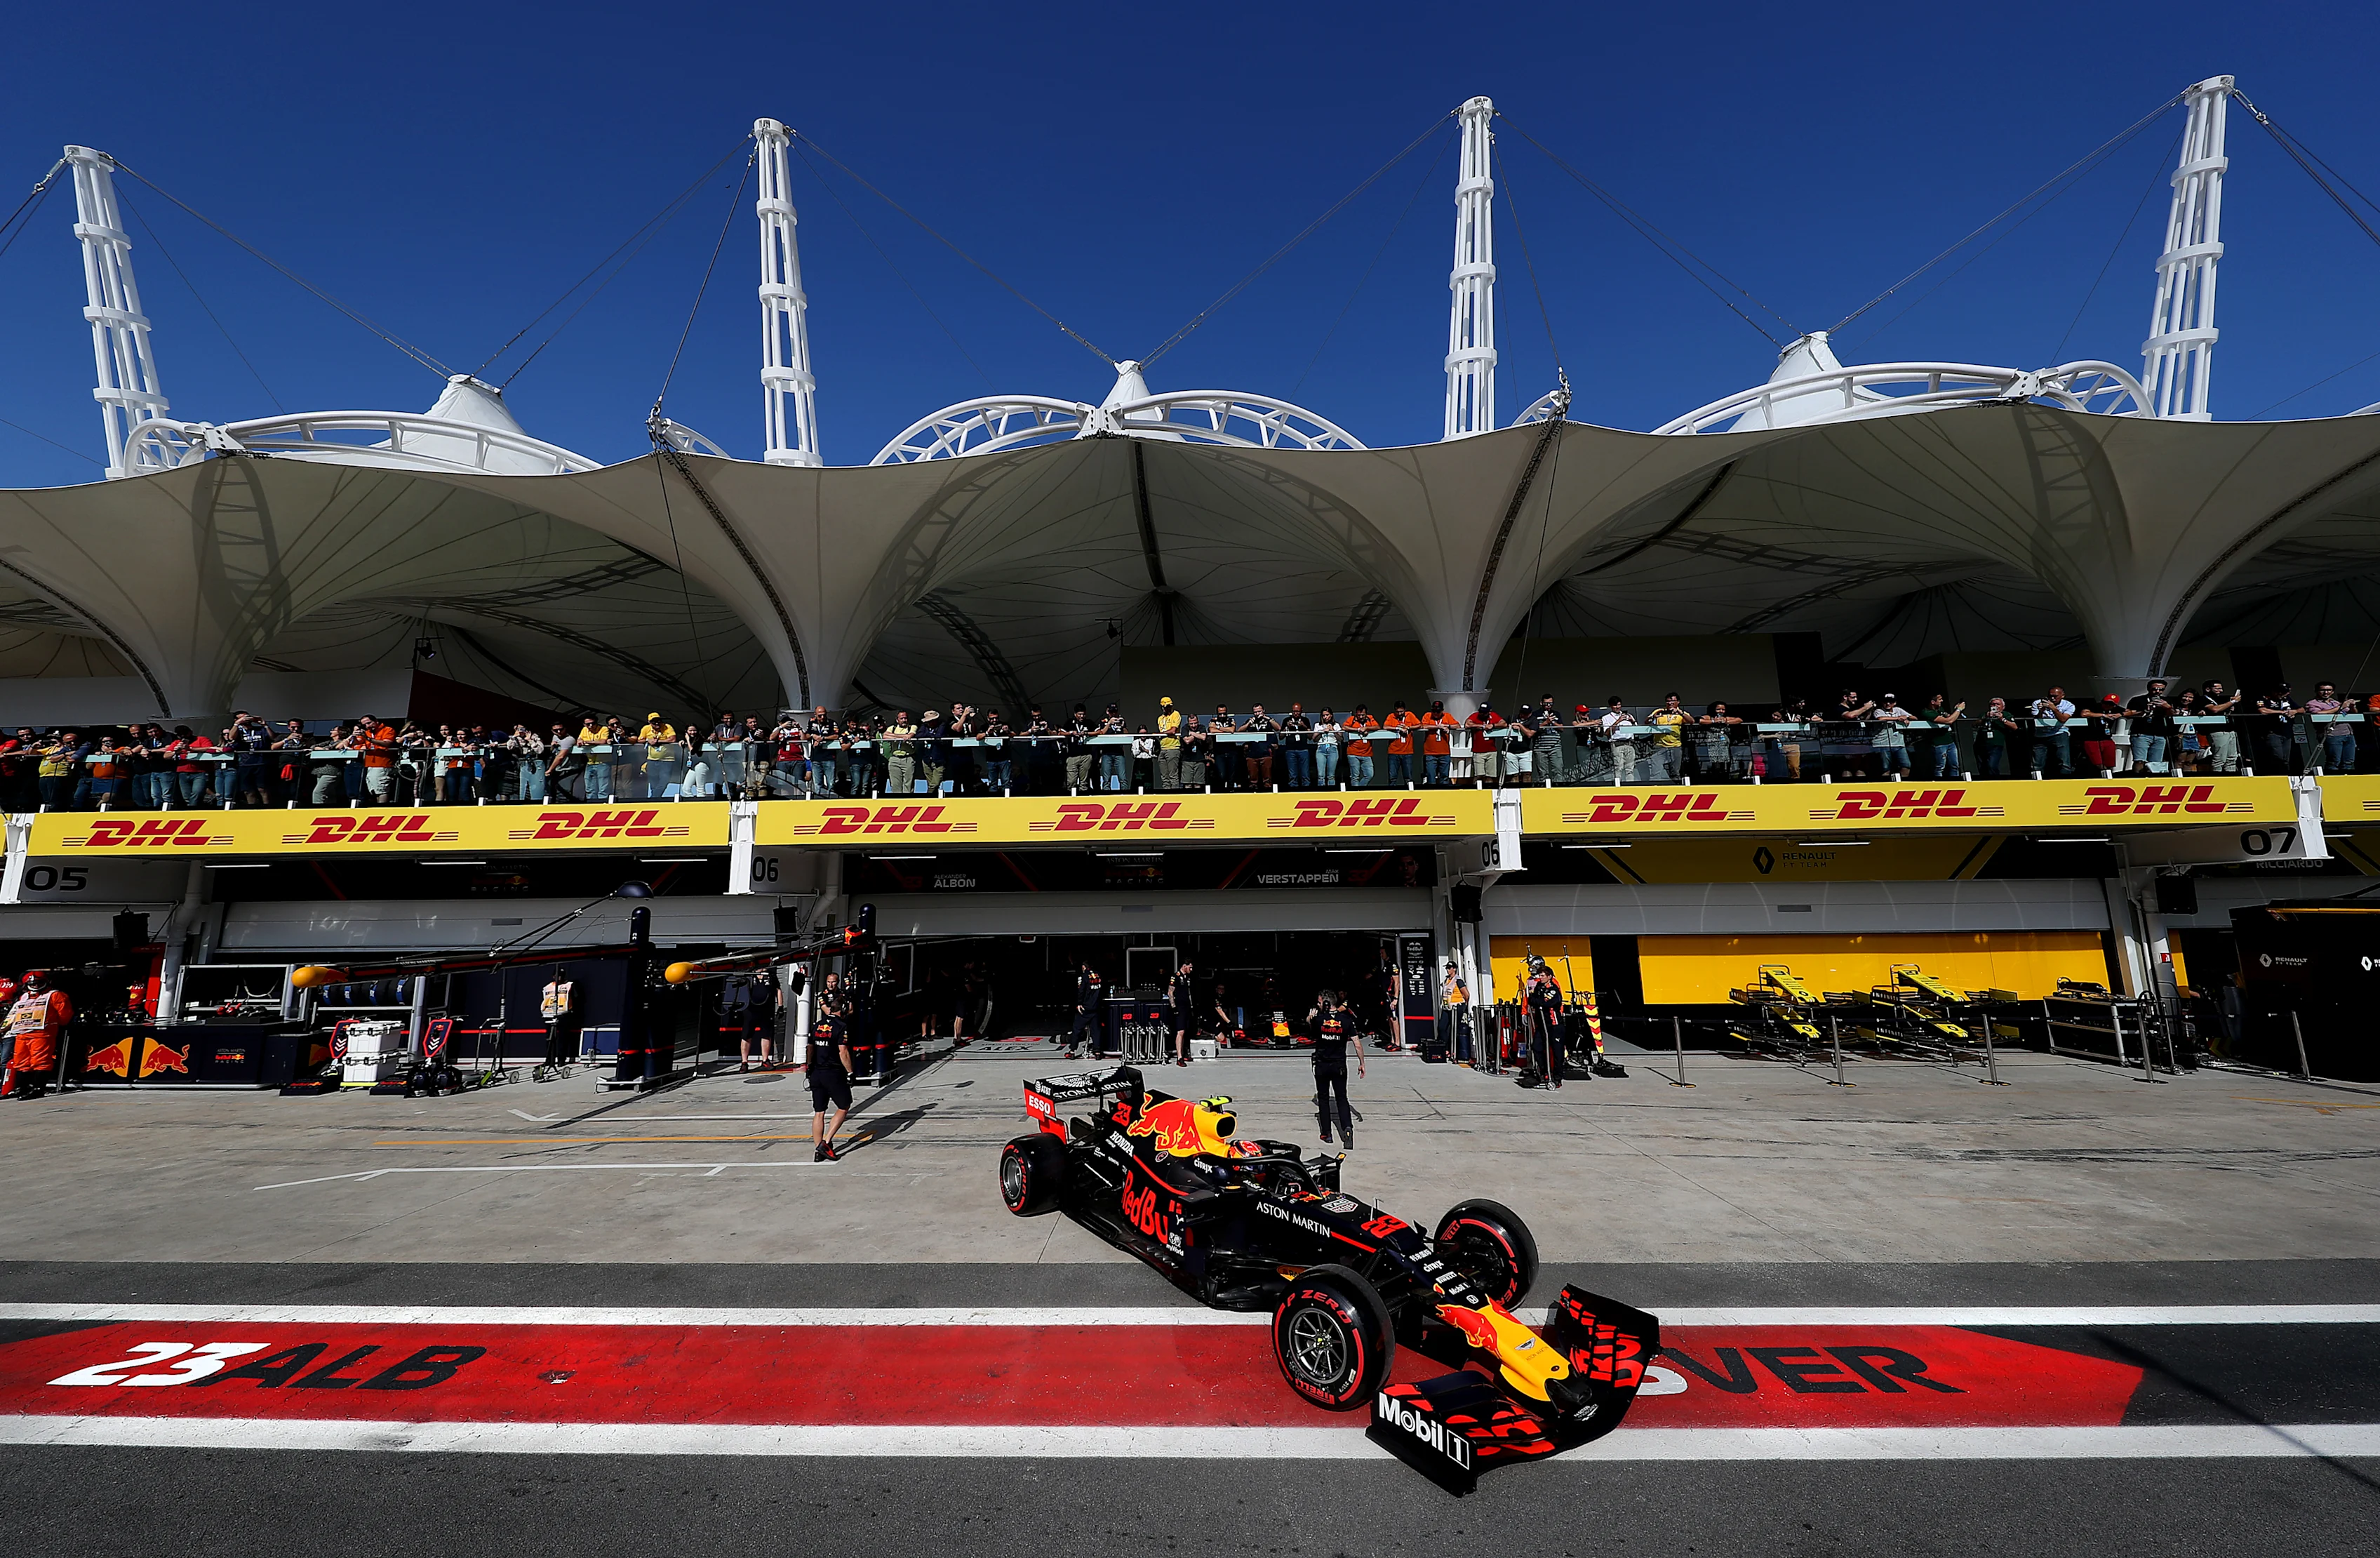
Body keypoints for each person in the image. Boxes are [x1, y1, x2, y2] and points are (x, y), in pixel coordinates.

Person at [1, 970, 72, 1099]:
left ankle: (39, 1088)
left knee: (40, 1061)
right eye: (32, 983)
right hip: (22, 1033)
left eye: (38, 983)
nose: (35, 986)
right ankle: (21, 1088)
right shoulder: (24, 997)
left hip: (42, 1033)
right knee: (20, 1061)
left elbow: (64, 1016)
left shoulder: (55, 995)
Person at [1308, 988, 1365, 1149]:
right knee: (1342, 1098)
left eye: (1319, 1003)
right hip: (1339, 1065)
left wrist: (1310, 1018)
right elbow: (1357, 1044)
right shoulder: (1346, 1020)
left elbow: (1310, 1028)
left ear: (1326, 1003)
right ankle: (1347, 1130)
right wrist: (1362, 1063)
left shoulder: (1319, 1019)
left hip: (1322, 1065)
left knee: (1324, 1099)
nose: (1318, 1005)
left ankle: (1327, 1133)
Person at [805, 999, 854, 1161]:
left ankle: (818, 1151)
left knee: (819, 1112)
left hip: (816, 1072)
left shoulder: (817, 1025)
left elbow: (810, 1047)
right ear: (844, 1010)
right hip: (833, 1073)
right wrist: (850, 1072)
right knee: (844, 1105)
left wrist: (809, 1066)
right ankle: (825, 1143)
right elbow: (843, 1051)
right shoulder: (841, 1026)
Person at [1520, 954, 1566, 1088]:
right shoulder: (1532, 982)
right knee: (1537, 1047)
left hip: (1553, 1022)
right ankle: (1543, 1072)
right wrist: (1525, 1012)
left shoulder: (1553, 983)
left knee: (1556, 1051)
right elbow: (1528, 999)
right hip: (1538, 1019)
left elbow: (1554, 1001)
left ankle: (1557, 1077)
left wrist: (1542, 1004)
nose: (1533, 970)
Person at [2127, 679, 2177, 775]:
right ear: (2149, 688)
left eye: (2161, 689)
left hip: (2160, 735)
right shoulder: (2138, 700)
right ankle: (2138, 779)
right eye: (2155, 689)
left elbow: (2173, 715)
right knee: (2140, 760)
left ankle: (2154, 781)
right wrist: (2145, 710)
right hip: (2141, 733)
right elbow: (2128, 714)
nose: (2158, 691)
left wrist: (2167, 707)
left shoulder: (2167, 701)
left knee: (2156, 763)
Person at [2307, 682, 2353, 773]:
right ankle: (2333, 780)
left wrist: (2352, 706)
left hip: (2348, 733)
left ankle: (2348, 780)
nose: (2326, 692)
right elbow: (2318, 714)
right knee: (2334, 761)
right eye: (2323, 690)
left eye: (2329, 690)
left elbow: (2352, 713)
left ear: (2333, 692)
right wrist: (2340, 707)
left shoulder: (2335, 702)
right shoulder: (2312, 703)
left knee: (2349, 762)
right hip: (2332, 734)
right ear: (2316, 691)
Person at [2252, 686, 2299, 774]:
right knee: (2278, 757)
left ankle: (2286, 775)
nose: (2283, 695)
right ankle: (2277, 775)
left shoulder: (2287, 699)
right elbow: (2263, 710)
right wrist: (2282, 712)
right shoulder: (2264, 698)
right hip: (2272, 732)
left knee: (2286, 758)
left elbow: (2302, 709)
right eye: (2281, 693)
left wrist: (2295, 711)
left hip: (2286, 732)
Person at [2028, 688, 2075, 776]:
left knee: (2063, 760)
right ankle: (2037, 780)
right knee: (2037, 762)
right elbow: (2036, 721)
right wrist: (2041, 711)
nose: (2052, 699)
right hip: (2041, 735)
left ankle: (2065, 780)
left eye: (2055, 696)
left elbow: (2063, 719)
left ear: (2062, 696)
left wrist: (2054, 709)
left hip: (2059, 732)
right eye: (2050, 696)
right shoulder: (2037, 703)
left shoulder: (2069, 705)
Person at [1065, 959, 1105, 1061]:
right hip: (1096, 1007)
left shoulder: (1083, 977)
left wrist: (1079, 1004)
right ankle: (1097, 1052)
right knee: (1096, 1030)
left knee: (1077, 1030)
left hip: (1085, 1009)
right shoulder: (1099, 976)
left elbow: (1081, 991)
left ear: (1084, 967)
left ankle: (1072, 1051)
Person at [2199, 681, 2241, 774]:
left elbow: (2224, 708)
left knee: (2232, 758)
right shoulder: (2203, 699)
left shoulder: (2221, 699)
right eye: (2217, 689)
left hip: (2230, 730)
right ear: (2208, 689)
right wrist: (2232, 702)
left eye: (2221, 688)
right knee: (2219, 758)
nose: (2221, 691)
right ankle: (2217, 777)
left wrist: (2230, 706)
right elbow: (2215, 709)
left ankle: (2232, 777)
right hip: (2217, 731)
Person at [1598, 697, 1638, 785]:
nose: (1617, 707)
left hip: (1630, 743)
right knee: (1618, 768)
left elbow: (1637, 731)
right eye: (1615, 705)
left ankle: (1631, 786)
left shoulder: (1628, 715)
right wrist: (1618, 721)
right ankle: (1618, 786)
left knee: (1630, 769)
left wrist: (1633, 721)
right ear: (1611, 706)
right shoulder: (1606, 718)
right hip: (1617, 744)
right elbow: (1607, 733)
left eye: (1619, 705)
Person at [2078, 695, 2122, 774]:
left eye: (2110, 704)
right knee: (2098, 764)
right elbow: (2084, 714)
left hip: (2107, 739)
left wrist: (2120, 715)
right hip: (2092, 739)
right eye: (2106, 703)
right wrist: (2103, 715)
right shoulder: (2095, 707)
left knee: (2110, 763)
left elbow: (2131, 712)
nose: (2107, 705)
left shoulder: (2116, 709)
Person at [1440, 959, 1473, 1065]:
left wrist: (1463, 1006)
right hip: (1446, 1007)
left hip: (1456, 1007)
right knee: (1442, 1027)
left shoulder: (1458, 980)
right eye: (1447, 968)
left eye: (1449, 968)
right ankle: (1445, 1047)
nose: (1448, 970)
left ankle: (1451, 1050)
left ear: (1454, 969)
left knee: (1453, 1029)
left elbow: (1466, 994)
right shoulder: (1446, 980)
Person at [1241, 703, 1279, 790]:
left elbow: (1278, 728)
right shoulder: (1250, 721)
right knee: (1253, 780)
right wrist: (1248, 725)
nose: (1257, 714)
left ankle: (1268, 795)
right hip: (1252, 754)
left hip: (1265, 753)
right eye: (1255, 712)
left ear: (1263, 711)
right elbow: (1239, 731)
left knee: (1267, 779)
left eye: (1259, 711)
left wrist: (1267, 718)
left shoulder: (1268, 720)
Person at [1168, 958, 1198, 1068]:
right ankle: (1179, 1058)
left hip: (1187, 1008)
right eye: (1190, 967)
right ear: (1185, 966)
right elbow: (1170, 992)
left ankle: (1184, 1053)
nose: (1191, 969)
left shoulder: (1188, 977)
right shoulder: (1175, 976)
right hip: (1179, 1008)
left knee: (1186, 1031)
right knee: (1180, 1032)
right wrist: (1174, 1007)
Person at [1382, 701, 1419, 786]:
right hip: (1393, 752)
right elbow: (1385, 726)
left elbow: (1419, 725)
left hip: (1407, 752)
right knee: (1392, 777)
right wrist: (1398, 728)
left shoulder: (1410, 715)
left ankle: (1409, 795)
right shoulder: (1391, 716)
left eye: (1401, 711)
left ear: (1405, 710)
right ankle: (1392, 794)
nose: (1400, 713)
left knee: (1408, 778)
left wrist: (1408, 728)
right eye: (1398, 712)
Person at [1279, 703, 1314, 790]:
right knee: (1292, 774)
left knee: (1305, 774)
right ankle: (1293, 791)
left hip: (1303, 750)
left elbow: (1310, 737)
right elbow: (1280, 737)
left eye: (1298, 711)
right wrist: (1286, 727)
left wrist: (1304, 726)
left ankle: (1306, 790)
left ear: (1301, 711)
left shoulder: (1306, 720)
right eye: (1294, 711)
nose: (1296, 713)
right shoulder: (1286, 720)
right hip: (1290, 750)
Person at [1419, 701, 1455, 787]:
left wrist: (1447, 726)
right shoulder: (1427, 716)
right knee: (1431, 777)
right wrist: (1438, 727)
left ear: (1442, 711)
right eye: (1434, 711)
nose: (1435, 714)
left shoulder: (1447, 716)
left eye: (1438, 712)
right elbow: (1423, 726)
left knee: (1444, 777)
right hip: (1430, 753)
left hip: (1444, 753)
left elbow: (1457, 725)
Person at [1342, 704, 1377, 788]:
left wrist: (1367, 728)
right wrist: (1358, 730)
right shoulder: (1352, 719)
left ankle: (1359, 790)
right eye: (1359, 715)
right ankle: (1356, 793)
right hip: (1353, 753)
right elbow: (1344, 727)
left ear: (1366, 714)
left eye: (1363, 715)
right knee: (1355, 777)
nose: (1361, 717)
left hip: (1367, 753)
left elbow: (1377, 727)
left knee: (1369, 774)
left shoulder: (1370, 718)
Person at [1063, 705, 1096, 794]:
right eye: (1080, 714)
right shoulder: (1070, 722)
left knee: (1084, 782)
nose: (1082, 716)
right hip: (1072, 756)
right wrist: (1071, 733)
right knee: (1071, 782)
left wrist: (1087, 733)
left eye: (1083, 714)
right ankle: (1070, 799)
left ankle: (1084, 799)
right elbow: (1061, 732)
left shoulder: (1089, 722)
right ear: (1075, 714)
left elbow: (1098, 731)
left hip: (1086, 756)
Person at [1156, 697, 1184, 791]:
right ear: (1162, 707)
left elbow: (1173, 731)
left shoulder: (1176, 714)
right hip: (1163, 748)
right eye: (1166, 707)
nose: (1168, 709)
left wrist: (1158, 734)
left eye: (1169, 706)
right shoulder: (1160, 718)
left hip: (1173, 747)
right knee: (1164, 777)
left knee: (1173, 775)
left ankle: (1175, 795)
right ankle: (1166, 795)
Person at [1313, 707, 1342, 790]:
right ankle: (1321, 793)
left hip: (1332, 748)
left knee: (1331, 775)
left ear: (1331, 715)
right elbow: (1314, 739)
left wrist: (1333, 730)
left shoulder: (1336, 725)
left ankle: (1331, 793)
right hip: (1321, 749)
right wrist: (1322, 731)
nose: (1325, 717)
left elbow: (1341, 739)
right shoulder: (1317, 725)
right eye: (1323, 716)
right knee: (1321, 775)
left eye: (1327, 715)